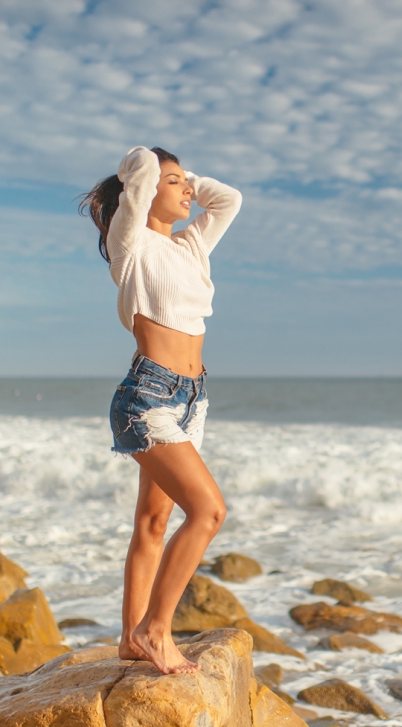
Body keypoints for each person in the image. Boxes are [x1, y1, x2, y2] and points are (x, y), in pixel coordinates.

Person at [80, 146, 241, 674]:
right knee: (209, 511)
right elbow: (143, 167)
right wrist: (152, 169)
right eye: (174, 183)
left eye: (186, 182)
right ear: (144, 191)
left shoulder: (191, 246)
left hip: (192, 399)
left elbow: (230, 200)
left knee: (153, 520)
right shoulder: (130, 243)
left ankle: (130, 638)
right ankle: (155, 629)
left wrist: (186, 177)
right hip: (148, 397)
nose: (188, 191)